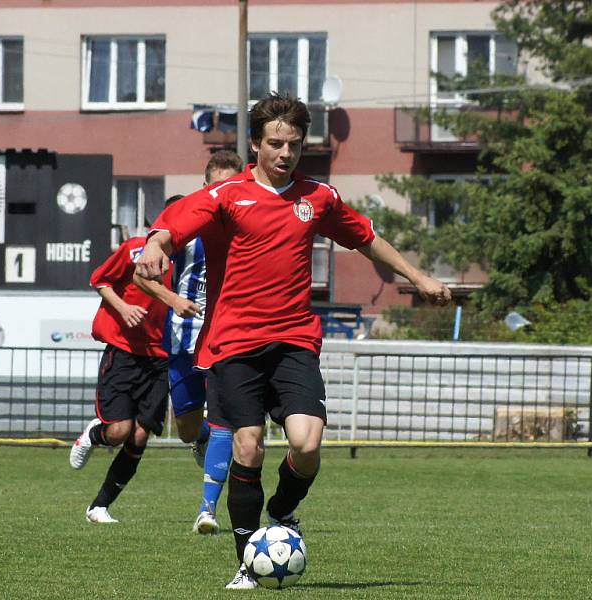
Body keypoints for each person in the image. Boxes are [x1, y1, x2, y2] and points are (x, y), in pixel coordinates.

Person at [137, 92, 452, 588]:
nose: (285, 153)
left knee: (306, 445)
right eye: (276, 143)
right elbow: (174, 224)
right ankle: (246, 562)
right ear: (256, 145)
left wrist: (418, 276)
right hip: (234, 343)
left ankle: (281, 510)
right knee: (249, 445)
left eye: (294, 144)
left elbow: (366, 237)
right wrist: (155, 245)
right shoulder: (228, 195)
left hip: (293, 339)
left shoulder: (317, 197)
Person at [134, 150, 243, 536]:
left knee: (226, 420)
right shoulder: (186, 229)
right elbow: (140, 276)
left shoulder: (248, 229)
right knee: (185, 427)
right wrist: (173, 300)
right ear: (205, 188)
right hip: (182, 342)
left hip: (228, 340)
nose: (223, 194)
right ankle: (201, 442)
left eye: (231, 186)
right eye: (217, 186)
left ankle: (207, 509)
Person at [68, 230, 172, 524]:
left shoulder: (189, 258)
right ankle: (93, 435)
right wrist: (124, 308)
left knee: (139, 436)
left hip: (161, 357)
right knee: (118, 433)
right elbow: (99, 279)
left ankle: (99, 507)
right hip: (124, 352)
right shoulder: (135, 249)